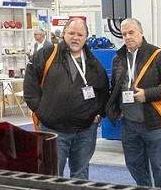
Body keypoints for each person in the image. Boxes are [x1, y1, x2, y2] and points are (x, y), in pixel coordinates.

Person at [24, 18, 109, 179]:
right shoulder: (47, 54)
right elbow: (30, 84)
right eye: (71, 33)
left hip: (84, 131)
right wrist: (41, 110)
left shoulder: (93, 64)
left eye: (80, 35)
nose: (75, 37)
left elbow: (103, 91)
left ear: (86, 38)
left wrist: (98, 113)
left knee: (80, 175)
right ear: (64, 34)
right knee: (51, 175)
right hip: (53, 129)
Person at [105, 18, 161, 188]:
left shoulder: (158, 55)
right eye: (124, 34)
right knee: (134, 165)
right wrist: (115, 109)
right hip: (128, 123)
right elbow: (115, 87)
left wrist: (147, 94)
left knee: (160, 167)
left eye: (131, 32)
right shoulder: (118, 58)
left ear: (141, 32)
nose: (127, 37)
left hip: (153, 123)